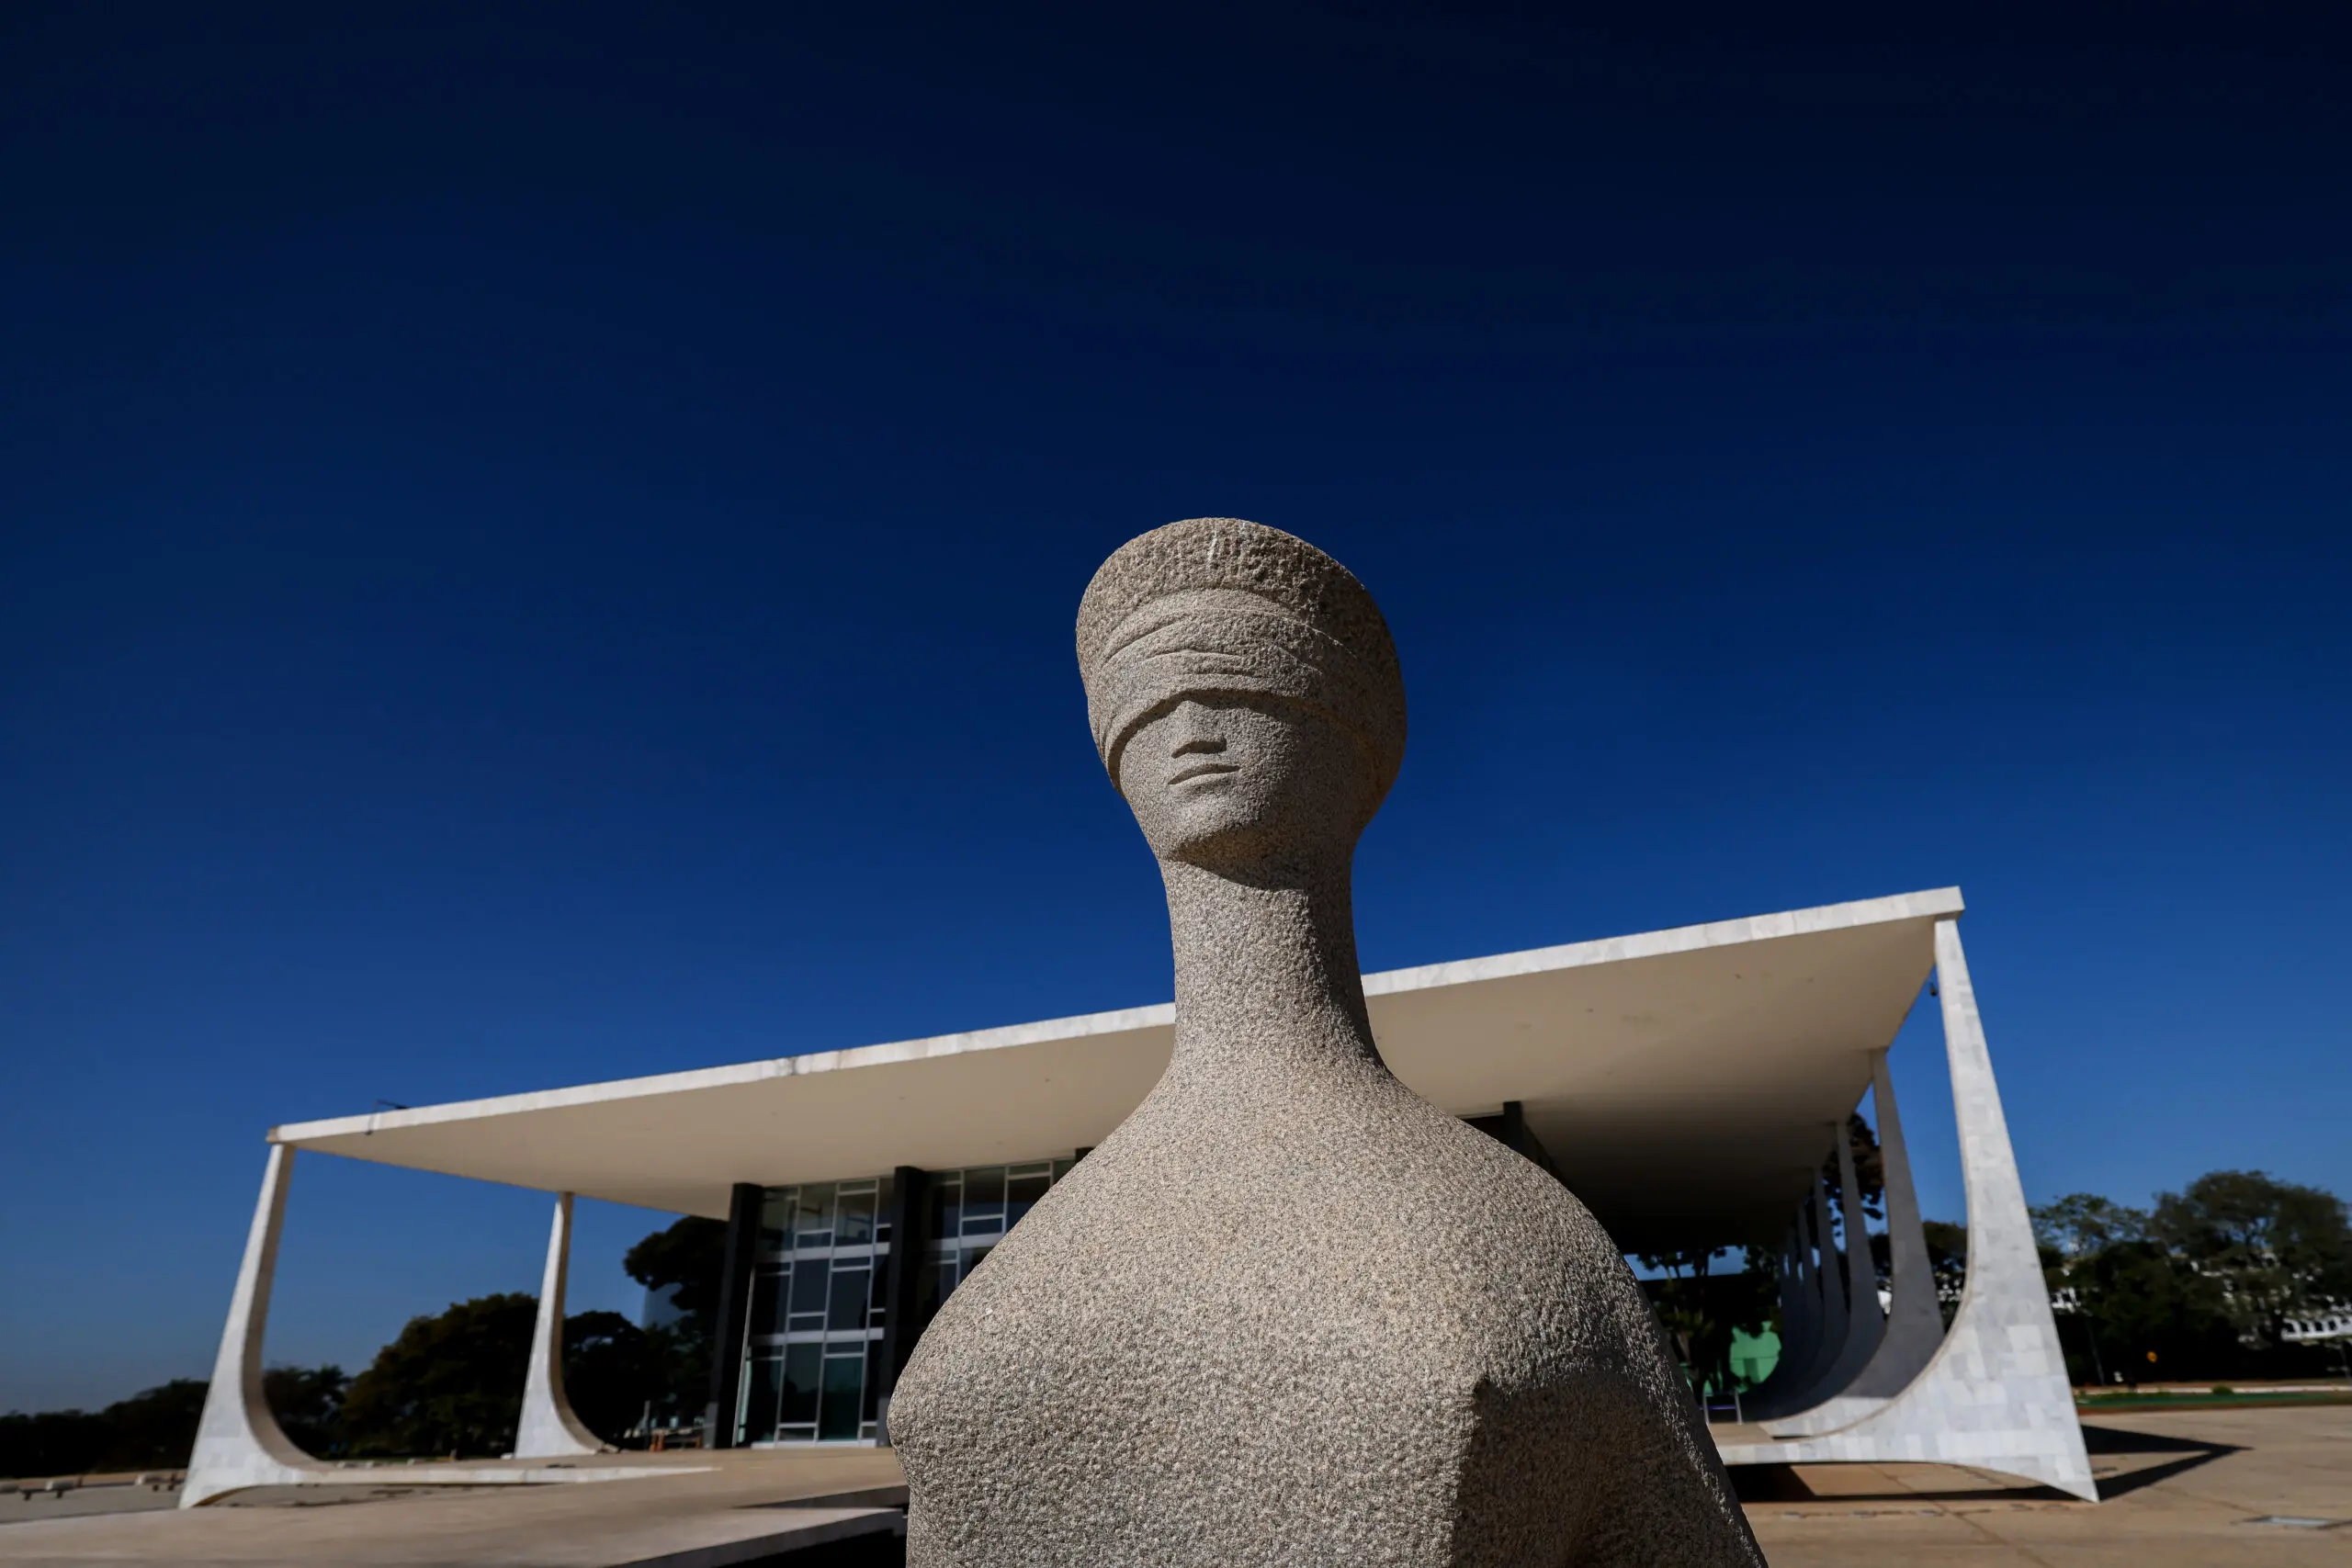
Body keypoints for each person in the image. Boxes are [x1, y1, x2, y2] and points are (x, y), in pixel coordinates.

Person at [890, 517, 1763, 1567]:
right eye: (1151, 708)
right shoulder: (1041, 1261)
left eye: (1238, 691)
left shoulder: (1526, 1238)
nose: (1190, 728)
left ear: (1347, 730)